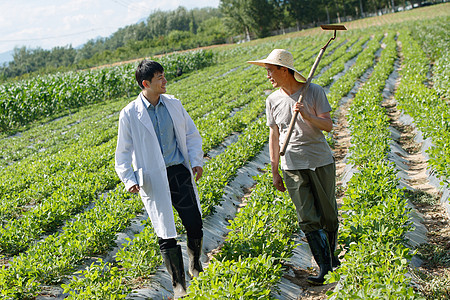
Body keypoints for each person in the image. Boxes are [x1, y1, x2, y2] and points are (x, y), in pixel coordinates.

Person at [247, 49, 339, 285]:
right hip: (292, 166)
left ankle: (333, 257)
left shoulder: (313, 91)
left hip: (320, 161)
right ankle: (324, 267)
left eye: (271, 70)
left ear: (284, 70)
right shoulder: (272, 100)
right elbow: (274, 136)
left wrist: (308, 116)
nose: (268, 75)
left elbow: (328, 125)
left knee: (328, 214)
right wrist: (275, 169)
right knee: (307, 217)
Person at [115, 59, 204, 298]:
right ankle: (179, 286)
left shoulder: (173, 104)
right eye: (159, 78)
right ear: (146, 83)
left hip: (178, 172)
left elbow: (191, 134)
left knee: (194, 223)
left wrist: (196, 161)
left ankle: (195, 265)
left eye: (164, 76)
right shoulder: (129, 114)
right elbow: (122, 152)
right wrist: (129, 179)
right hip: (153, 178)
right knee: (166, 233)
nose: (165, 81)